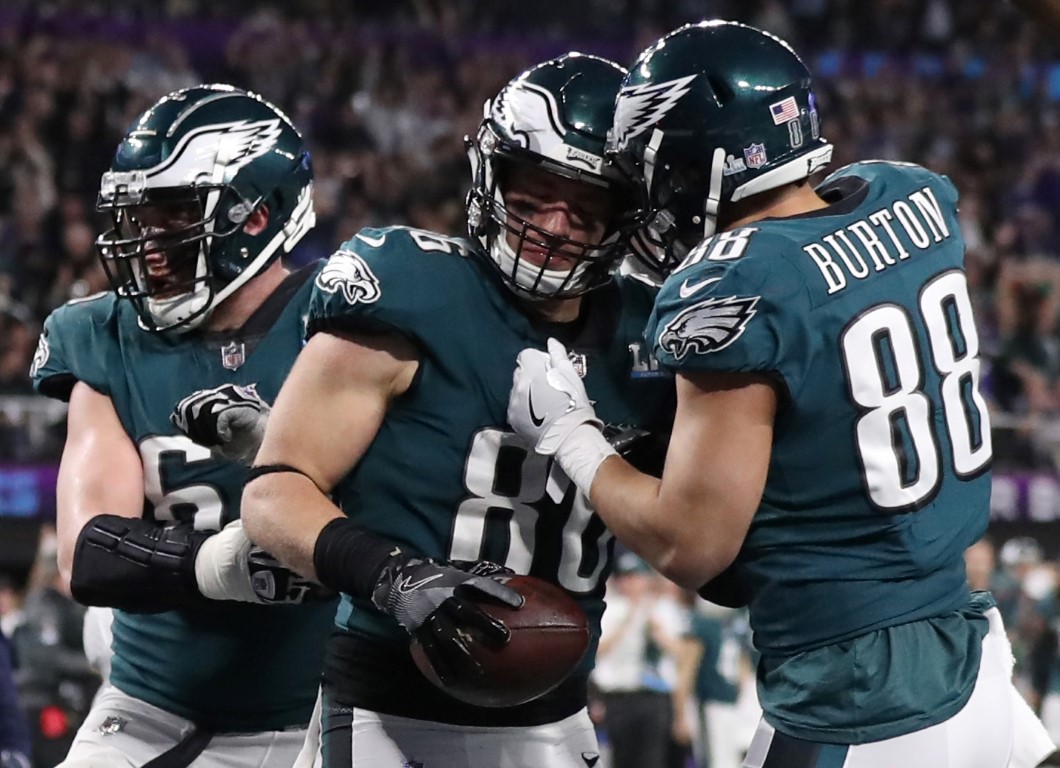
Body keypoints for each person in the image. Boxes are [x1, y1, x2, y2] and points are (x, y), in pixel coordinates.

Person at [505, 20, 1057, 767]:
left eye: (646, 166)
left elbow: (691, 544)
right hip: (973, 651)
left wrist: (573, 431)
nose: (641, 191)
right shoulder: (911, 195)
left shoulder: (732, 282)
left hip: (858, 697)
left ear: (693, 159)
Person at [240, 53, 674, 768]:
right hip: (388, 701)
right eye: (533, 195)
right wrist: (396, 575)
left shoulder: (649, 332)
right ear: (489, 176)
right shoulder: (409, 286)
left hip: (555, 710)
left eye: (586, 205)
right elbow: (274, 493)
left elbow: (689, 529)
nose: (555, 225)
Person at [30, 83, 337, 768]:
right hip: (147, 700)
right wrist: (222, 562)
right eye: (137, 218)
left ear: (256, 217)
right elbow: (88, 551)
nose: (149, 244)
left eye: (172, 216)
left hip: (318, 709)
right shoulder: (102, 333)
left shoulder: (342, 321)